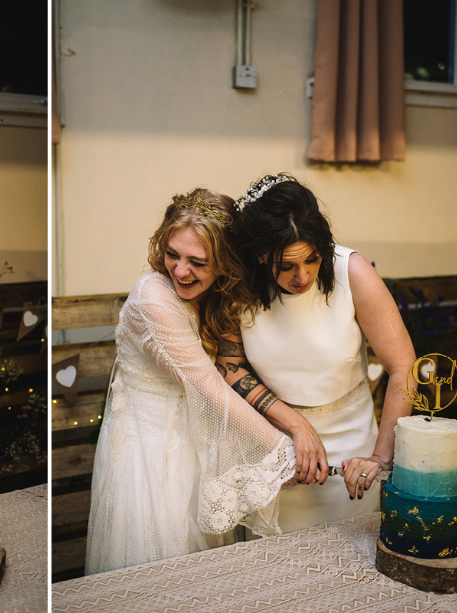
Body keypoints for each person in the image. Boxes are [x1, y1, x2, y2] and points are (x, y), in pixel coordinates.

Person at [85, 188, 326, 575]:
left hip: (201, 445)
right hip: (153, 455)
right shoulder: (154, 298)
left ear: (225, 264)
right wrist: (282, 451)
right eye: (172, 255)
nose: (180, 271)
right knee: (164, 572)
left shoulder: (216, 296)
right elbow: (209, 386)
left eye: (198, 262)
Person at [217, 173, 416, 533]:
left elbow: (404, 368)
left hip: (353, 446)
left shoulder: (351, 270)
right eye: (286, 265)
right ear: (261, 257)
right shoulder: (239, 286)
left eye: (312, 259)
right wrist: (293, 427)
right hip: (273, 446)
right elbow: (230, 367)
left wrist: (379, 458)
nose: (302, 276)